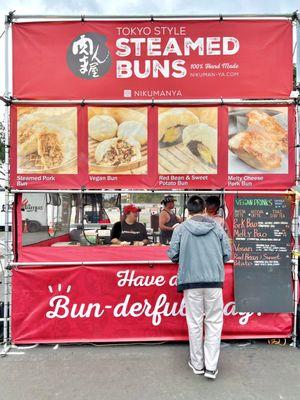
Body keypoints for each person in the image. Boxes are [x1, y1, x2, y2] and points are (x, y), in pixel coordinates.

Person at [167, 195, 231, 380]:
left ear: (187, 211)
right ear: (204, 210)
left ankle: (197, 364)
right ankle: (211, 367)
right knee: (214, 323)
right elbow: (226, 254)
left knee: (194, 323)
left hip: (190, 282)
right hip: (213, 282)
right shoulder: (217, 228)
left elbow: (173, 254)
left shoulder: (180, 229)